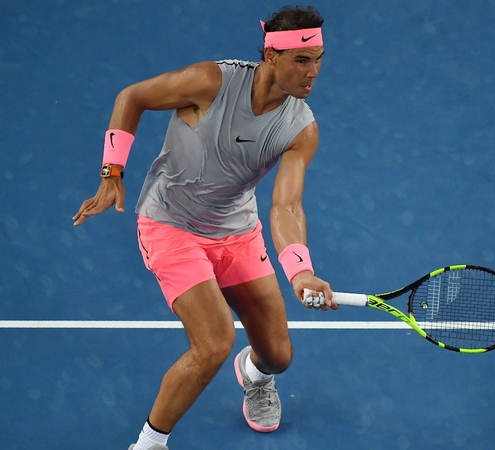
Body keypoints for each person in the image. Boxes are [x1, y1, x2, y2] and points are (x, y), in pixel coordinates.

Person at [72, 6, 336, 450]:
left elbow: (286, 205)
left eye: (319, 59)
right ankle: (149, 444)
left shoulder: (301, 128)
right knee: (214, 342)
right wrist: (111, 172)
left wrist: (300, 271)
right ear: (271, 55)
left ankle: (253, 374)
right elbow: (131, 97)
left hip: (235, 229)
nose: (314, 73)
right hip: (170, 225)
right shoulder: (210, 82)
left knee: (278, 355)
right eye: (302, 60)